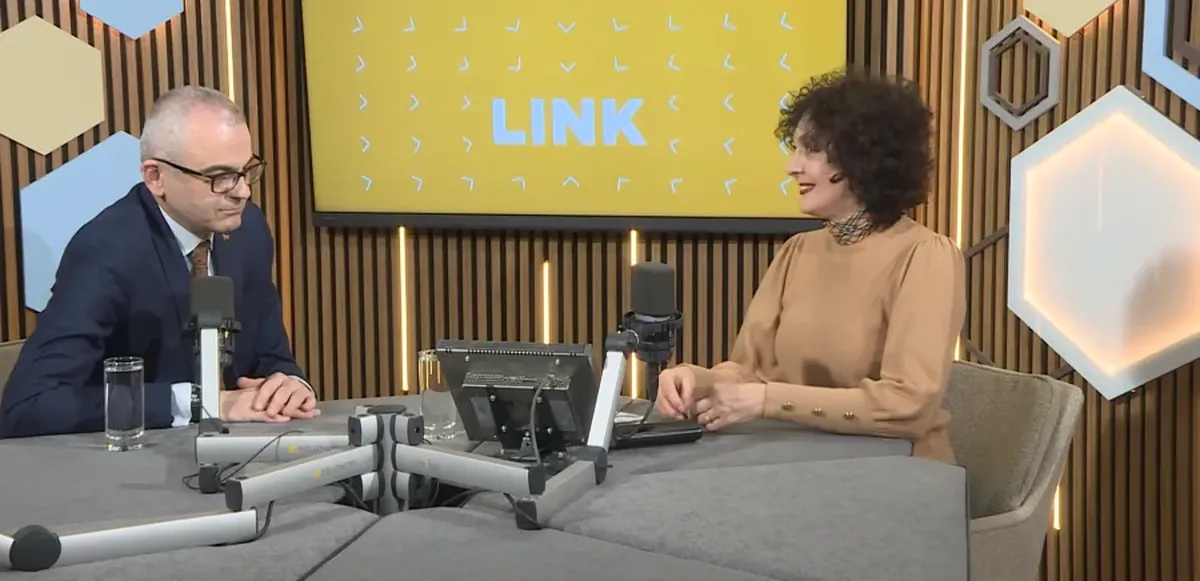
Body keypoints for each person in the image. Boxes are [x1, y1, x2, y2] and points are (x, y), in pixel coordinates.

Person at [653, 69, 966, 463]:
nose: (791, 166)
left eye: (811, 150)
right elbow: (749, 372)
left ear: (864, 157)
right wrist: (697, 380)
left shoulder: (926, 256)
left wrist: (768, 401)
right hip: (803, 461)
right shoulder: (796, 252)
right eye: (795, 148)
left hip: (898, 470)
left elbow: (908, 405)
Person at [1, 86, 319, 438]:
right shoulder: (106, 251)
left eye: (246, 171)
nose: (242, 191)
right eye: (219, 177)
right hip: (132, 460)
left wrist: (290, 384)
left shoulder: (249, 230)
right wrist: (202, 403)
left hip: (241, 451)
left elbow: (271, 355)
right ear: (155, 177)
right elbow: (28, 406)